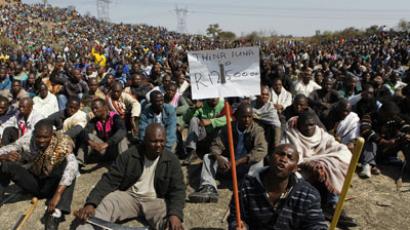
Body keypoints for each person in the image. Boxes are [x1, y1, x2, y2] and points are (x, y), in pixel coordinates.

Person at [75, 124, 185, 230]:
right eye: (154, 141)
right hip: (129, 197)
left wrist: (175, 215)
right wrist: (91, 203)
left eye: (162, 141)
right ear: (145, 141)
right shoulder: (129, 155)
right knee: (100, 210)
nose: (158, 145)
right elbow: (109, 180)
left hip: (155, 201)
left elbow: (178, 190)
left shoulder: (172, 160)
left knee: (172, 224)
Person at [282, 111, 356, 228]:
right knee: (296, 180)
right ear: (298, 124)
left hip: (321, 165)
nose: (308, 128)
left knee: (334, 162)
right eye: (305, 125)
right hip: (300, 168)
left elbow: (337, 146)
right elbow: (290, 158)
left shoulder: (321, 134)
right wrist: (310, 165)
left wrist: (320, 164)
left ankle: (333, 206)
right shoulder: (291, 134)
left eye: (311, 125)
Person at [0, 120, 78, 229]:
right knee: (6, 163)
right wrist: (4, 156)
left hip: (53, 184)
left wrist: (58, 194)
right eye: (38, 137)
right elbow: (6, 149)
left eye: (45, 137)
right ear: (34, 134)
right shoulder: (28, 139)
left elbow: (73, 165)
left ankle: (55, 214)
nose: (41, 141)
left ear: (52, 134)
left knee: (70, 171)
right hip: (35, 183)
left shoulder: (62, 142)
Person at [228, 144, 327, 230]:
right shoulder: (245, 186)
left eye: (290, 157)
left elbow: (316, 223)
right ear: (269, 158)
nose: (283, 159)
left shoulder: (309, 195)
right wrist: (238, 225)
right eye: (280, 154)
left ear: (295, 168)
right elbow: (235, 217)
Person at [188, 103, 267, 203]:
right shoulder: (228, 127)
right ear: (237, 116)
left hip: (244, 165)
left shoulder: (257, 130)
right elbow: (216, 145)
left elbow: (261, 149)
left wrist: (238, 162)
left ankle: (250, 190)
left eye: (249, 116)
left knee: (259, 161)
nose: (247, 120)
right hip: (228, 165)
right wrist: (218, 157)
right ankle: (208, 188)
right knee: (208, 157)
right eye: (244, 117)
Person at [77, 98, 127, 164]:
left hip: (115, 150)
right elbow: (83, 132)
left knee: (122, 137)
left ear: (105, 107)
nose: (94, 110)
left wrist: (107, 143)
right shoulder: (94, 120)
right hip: (103, 150)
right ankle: (79, 162)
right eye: (93, 109)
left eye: (96, 108)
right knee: (88, 136)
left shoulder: (115, 117)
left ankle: (124, 164)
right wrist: (92, 143)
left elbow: (122, 130)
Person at [183, 98, 228, 164]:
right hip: (204, 135)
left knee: (223, 128)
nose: (214, 98)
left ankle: (217, 154)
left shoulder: (224, 105)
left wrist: (211, 121)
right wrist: (194, 108)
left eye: (215, 95)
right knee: (194, 120)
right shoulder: (203, 105)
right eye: (211, 96)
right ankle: (192, 151)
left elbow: (230, 118)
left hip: (217, 137)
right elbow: (186, 119)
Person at [251, 85, 282, 151]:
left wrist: (277, 146)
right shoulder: (251, 105)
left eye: (267, 95)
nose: (265, 97)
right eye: (262, 94)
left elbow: (277, 126)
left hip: (264, 133)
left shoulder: (270, 108)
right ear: (257, 95)